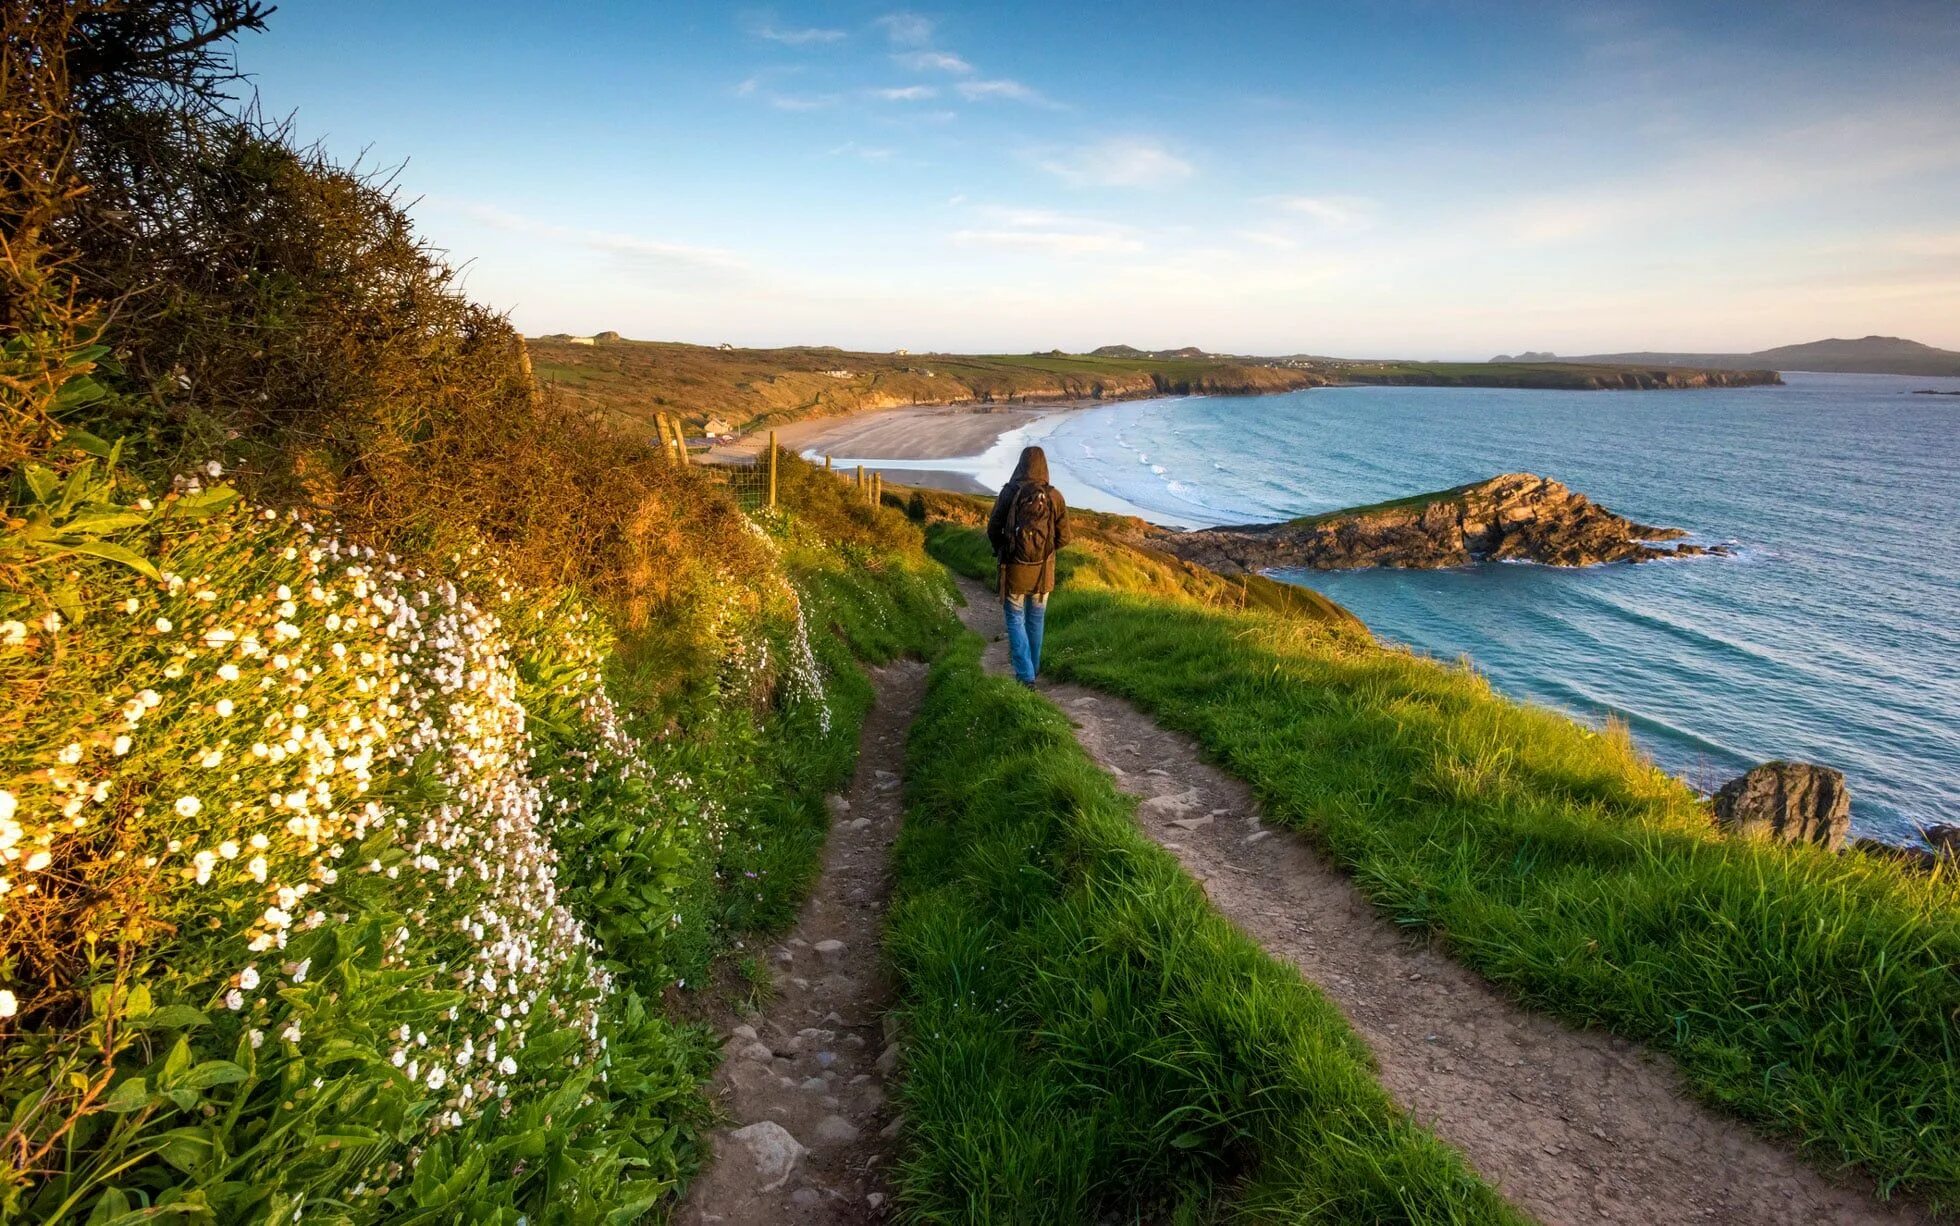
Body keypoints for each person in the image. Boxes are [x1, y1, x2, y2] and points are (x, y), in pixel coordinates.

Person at [986, 445, 1070, 685]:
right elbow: (1065, 537)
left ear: (1020, 464)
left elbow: (993, 529)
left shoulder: (1010, 492)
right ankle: (1033, 670)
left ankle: (1026, 676)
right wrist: (1046, 551)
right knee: (1036, 618)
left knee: (1015, 618)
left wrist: (1003, 549)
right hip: (1044, 570)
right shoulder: (1054, 496)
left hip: (1014, 567)